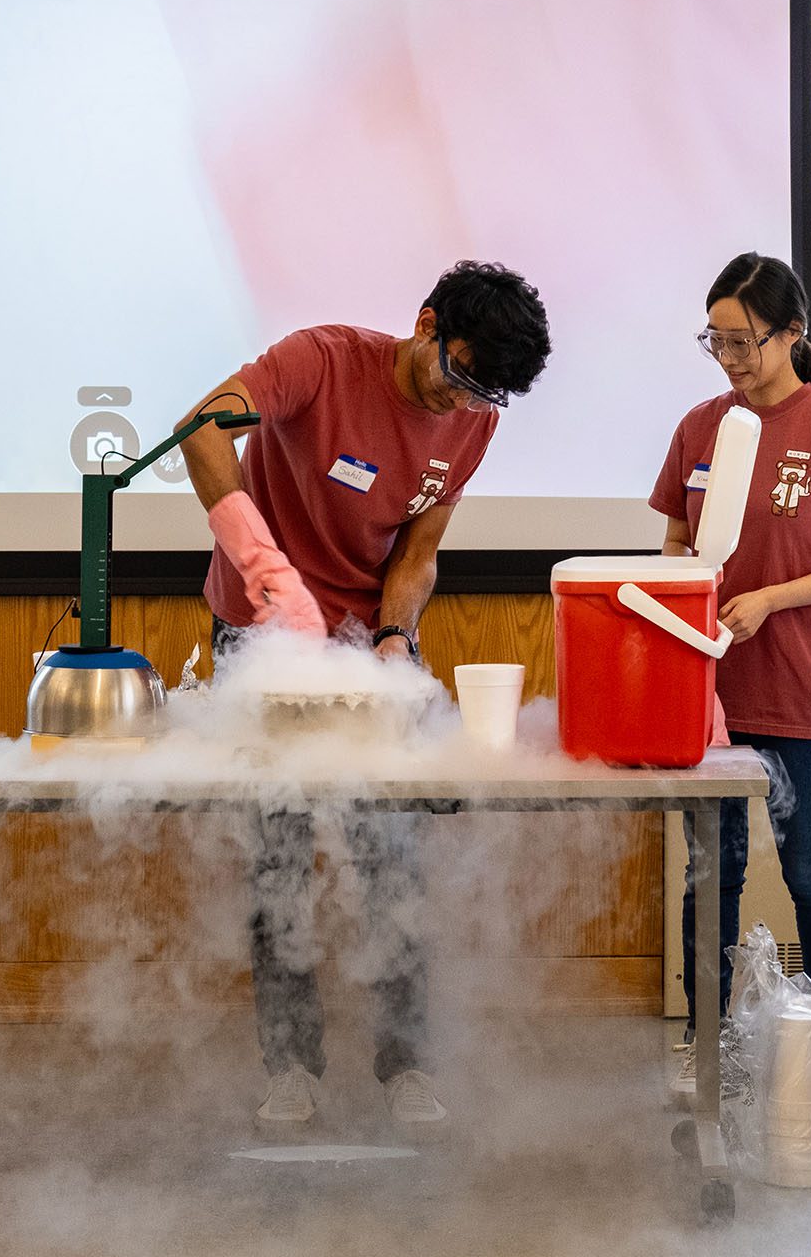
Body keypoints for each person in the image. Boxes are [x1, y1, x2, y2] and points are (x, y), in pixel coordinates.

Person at [177, 259, 553, 1128]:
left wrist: (392, 635)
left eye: (483, 395)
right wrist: (266, 570)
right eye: (456, 375)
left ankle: (405, 1063)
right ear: (426, 324)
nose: (461, 404)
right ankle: (292, 1066)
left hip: (363, 641)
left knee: (391, 854)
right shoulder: (320, 360)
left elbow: (420, 548)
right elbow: (198, 429)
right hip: (262, 633)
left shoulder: (474, 416)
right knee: (279, 852)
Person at [648, 253, 811, 1095]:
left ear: (793, 332)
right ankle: (703, 1039)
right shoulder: (699, 426)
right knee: (709, 871)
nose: (733, 358)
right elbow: (677, 543)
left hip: (797, 687)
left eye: (747, 340)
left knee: (810, 868)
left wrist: (771, 600)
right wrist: (686, 586)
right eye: (716, 341)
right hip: (707, 694)